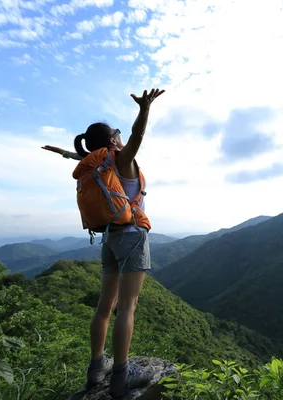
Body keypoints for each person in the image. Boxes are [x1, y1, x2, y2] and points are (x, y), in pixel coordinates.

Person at [42, 88, 165, 397]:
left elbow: (80, 156)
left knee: (105, 306)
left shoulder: (96, 164)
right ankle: (122, 374)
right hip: (132, 236)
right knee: (128, 306)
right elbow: (137, 136)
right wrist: (145, 108)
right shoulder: (121, 161)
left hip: (108, 238)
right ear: (113, 141)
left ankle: (97, 368)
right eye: (118, 136)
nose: (123, 140)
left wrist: (63, 153)